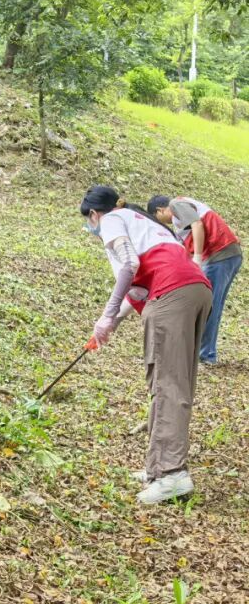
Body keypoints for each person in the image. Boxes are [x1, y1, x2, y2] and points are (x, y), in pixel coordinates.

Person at [81, 186, 211, 504]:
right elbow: (137, 291)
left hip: (171, 294)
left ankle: (172, 475)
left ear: (94, 214)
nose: (91, 229)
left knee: (167, 383)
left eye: (89, 222)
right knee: (170, 380)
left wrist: (106, 316)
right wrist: (111, 323)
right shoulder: (145, 222)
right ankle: (158, 466)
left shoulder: (111, 220)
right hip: (195, 290)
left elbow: (129, 266)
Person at [147, 195, 241, 365]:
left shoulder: (176, 204)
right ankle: (205, 353)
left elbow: (198, 224)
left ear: (160, 210)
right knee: (211, 305)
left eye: (158, 219)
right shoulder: (180, 224)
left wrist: (198, 258)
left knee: (209, 306)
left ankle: (206, 355)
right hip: (225, 256)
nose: (163, 223)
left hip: (219, 256)